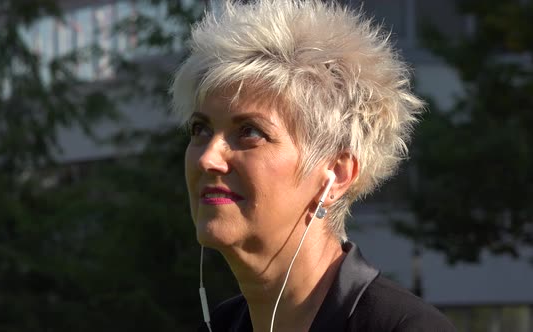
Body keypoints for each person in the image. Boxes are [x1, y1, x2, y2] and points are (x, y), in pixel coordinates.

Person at [171, 0, 456, 331]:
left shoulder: (403, 328)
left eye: (250, 132)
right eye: (200, 129)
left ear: (336, 175)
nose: (208, 157)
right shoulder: (223, 324)